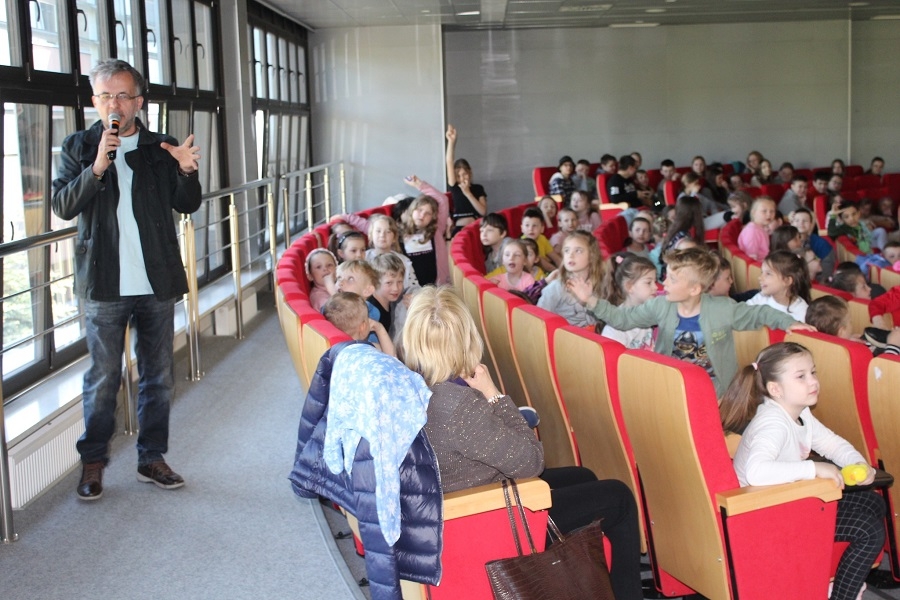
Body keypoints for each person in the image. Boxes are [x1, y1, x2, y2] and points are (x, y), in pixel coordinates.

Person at [401, 286, 644, 600]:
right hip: (491, 514)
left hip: (462, 495)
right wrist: (494, 394)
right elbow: (532, 462)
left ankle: (582, 582)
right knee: (619, 497)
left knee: (583, 476)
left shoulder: (417, 387)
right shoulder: (460, 406)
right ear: (465, 337)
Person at [50, 59, 202, 500]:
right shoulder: (78, 146)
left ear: (138, 101)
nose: (113, 104)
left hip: (156, 280)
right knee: (103, 378)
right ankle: (94, 462)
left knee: (158, 376)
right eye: (105, 96)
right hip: (104, 282)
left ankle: (151, 458)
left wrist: (186, 171)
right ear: (94, 101)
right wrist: (97, 167)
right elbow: (62, 205)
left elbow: (187, 204)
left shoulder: (161, 146)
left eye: (122, 95)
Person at [721, 342, 885, 600]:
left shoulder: (800, 413)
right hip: (761, 515)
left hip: (789, 501)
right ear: (775, 389)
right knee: (869, 531)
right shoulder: (773, 423)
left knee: (873, 502)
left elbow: (832, 444)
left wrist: (859, 463)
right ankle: (841, 595)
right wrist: (814, 467)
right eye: (801, 376)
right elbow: (756, 472)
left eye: (813, 372)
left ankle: (829, 582)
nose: (813, 381)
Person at [567, 248, 812, 396]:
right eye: (666, 276)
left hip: (716, 388)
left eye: (672, 279)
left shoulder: (722, 309)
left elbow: (760, 313)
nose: (664, 283)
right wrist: (591, 300)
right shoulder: (660, 306)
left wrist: (788, 322)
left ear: (695, 289)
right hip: (671, 383)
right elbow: (622, 319)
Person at [537, 231, 603, 328]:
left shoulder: (602, 284)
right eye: (567, 250)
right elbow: (539, 321)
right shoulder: (556, 287)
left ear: (592, 256)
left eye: (578, 251)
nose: (571, 255)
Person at [397, 175, 451, 285]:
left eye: (428, 213)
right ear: (412, 210)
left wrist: (419, 184)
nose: (422, 215)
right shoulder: (399, 232)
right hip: (411, 289)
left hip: (435, 287)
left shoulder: (436, 230)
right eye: (419, 210)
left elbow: (443, 200)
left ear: (433, 217)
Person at [806, 295, 900, 357]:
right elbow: (883, 373)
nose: (852, 324)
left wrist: (845, 340)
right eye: (850, 322)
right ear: (841, 331)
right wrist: (893, 346)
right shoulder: (855, 354)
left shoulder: (815, 349)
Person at [598, 253, 657, 349]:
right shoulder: (615, 329)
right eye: (648, 282)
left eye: (655, 281)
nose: (655, 287)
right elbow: (614, 356)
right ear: (629, 287)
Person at [745, 250, 811, 322]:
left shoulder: (802, 313)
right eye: (762, 272)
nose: (760, 278)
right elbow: (743, 314)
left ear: (787, 281)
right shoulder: (760, 298)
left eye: (768, 274)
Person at [445, 124, 487, 234]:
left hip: (475, 225)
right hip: (459, 226)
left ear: (470, 172)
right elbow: (449, 161)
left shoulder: (478, 188)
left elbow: (483, 211)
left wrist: (468, 193)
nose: (462, 178)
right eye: (458, 176)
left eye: (464, 174)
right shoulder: (455, 187)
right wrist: (451, 142)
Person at [323, 291, 394, 356]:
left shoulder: (338, 347)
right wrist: (380, 328)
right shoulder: (366, 351)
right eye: (367, 317)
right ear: (363, 327)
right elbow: (392, 358)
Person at [521, 206, 561, 271]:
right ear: (522, 228)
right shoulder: (522, 243)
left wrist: (565, 270)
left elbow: (556, 258)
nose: (530, 229)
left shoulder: (542, 238)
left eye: (534, 225)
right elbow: (547, 266)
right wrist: (558, 273)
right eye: (527, 225)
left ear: (542, 228)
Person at [738, 196, 777, 260]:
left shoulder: (761, 228)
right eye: (764, 211)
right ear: (753, 213)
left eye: (772, 211)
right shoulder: (753, 231)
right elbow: (751, 258)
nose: (769, 214)